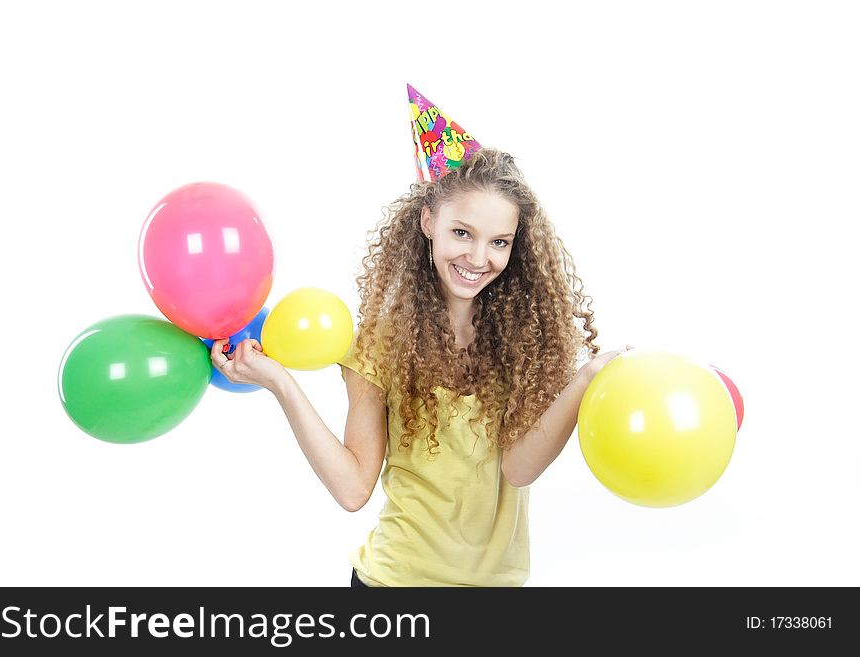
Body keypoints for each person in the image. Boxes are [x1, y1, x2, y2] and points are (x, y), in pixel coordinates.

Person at [210, 147, 629, 586]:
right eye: (462, 233)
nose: (479, 257)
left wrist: (588, 378)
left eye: (499, 241)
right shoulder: (381, 345)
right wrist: (281, 383)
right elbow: (352, 490)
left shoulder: (520, 347)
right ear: (429, 222)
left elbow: (518, 470)